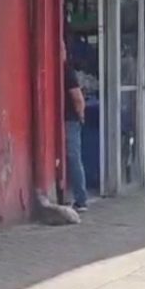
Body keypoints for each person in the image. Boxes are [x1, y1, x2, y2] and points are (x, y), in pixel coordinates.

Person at [64, 59, 88, 211]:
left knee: (73, 157)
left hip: (70, 120)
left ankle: (81, 199)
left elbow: (78, 98)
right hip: (70, 120)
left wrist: (80, 116)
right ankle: (78, 198)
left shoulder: (67, 72)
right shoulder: (66, 71)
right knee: (73, 157)